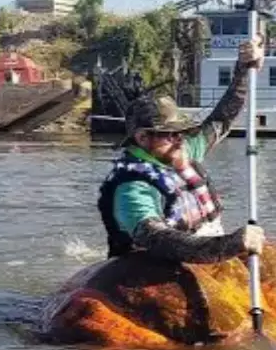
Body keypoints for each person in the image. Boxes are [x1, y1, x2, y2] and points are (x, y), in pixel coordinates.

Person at [97, 35, 266, 263]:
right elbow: (157, 238)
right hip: (149, 269)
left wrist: (243, 71)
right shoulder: (132, 187)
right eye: (170, 134)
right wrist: (229, 245)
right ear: (143, 137)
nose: (180, 139)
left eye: (181, 132)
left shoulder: (179, 152)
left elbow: (221, 121)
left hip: (208, 248)